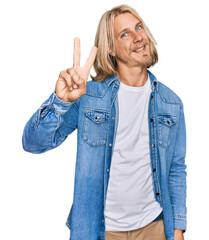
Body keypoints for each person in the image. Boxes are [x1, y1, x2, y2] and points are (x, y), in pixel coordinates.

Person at [22, 4, 187, 240]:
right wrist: (60, 101)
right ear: (110, 48)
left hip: (155, 227)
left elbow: (176, 169)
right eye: (125, 34)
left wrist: (177, 229)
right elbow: (33, 143)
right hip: (100, 230)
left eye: (138, 27)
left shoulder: (172, 103)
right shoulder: (89, 97)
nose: (138, 37)